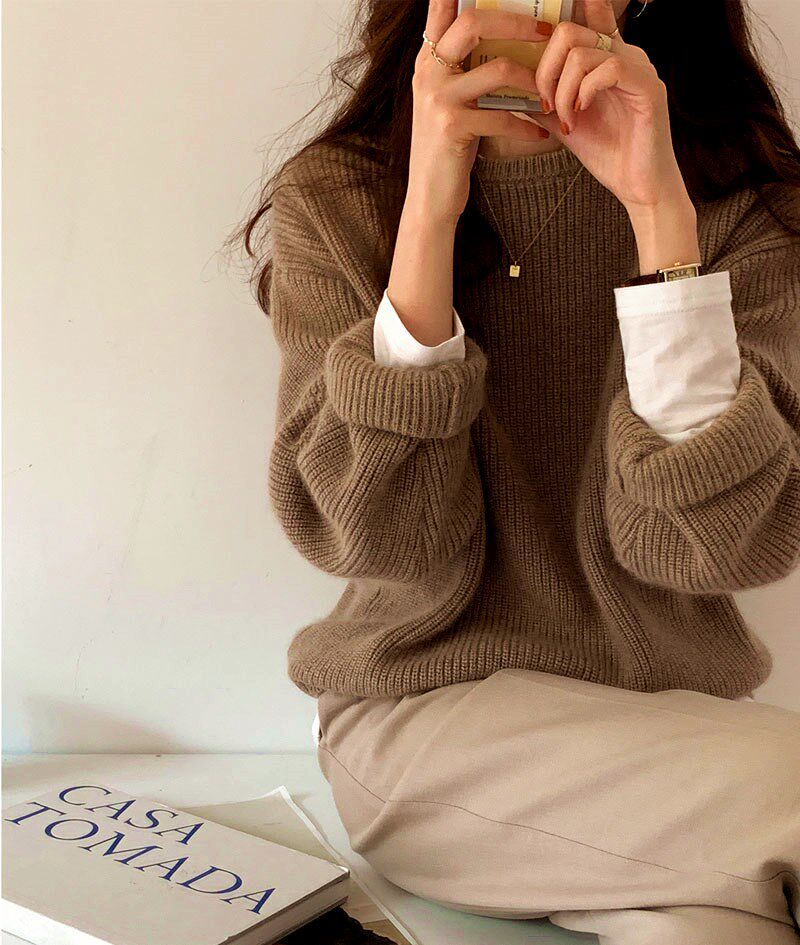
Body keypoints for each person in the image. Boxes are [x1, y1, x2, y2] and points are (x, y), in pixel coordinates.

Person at [234, 0, 800, 940]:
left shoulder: (742, 204)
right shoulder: (339, 199)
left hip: (677, 744)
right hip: (428, 726)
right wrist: (429, 212)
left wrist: (659, 216)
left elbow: (713, 547)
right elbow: (371, 536)